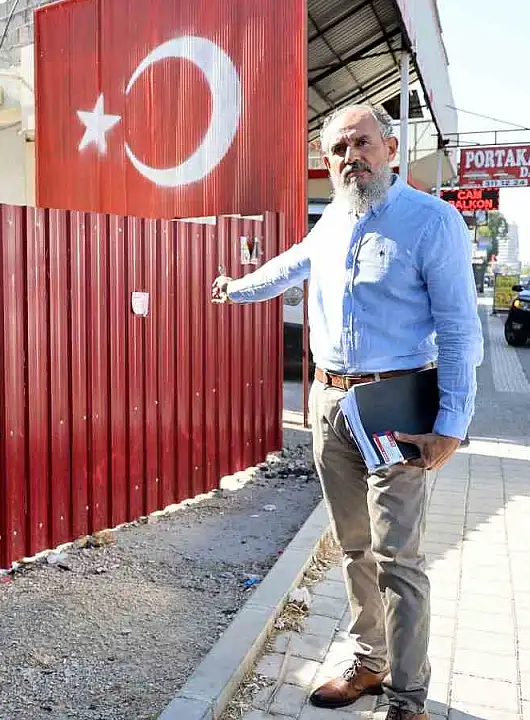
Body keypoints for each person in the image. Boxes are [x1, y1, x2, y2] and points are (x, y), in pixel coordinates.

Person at [211, 104, 483, 720]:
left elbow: (459, 329)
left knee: (397, 558)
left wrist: (451, 425)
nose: (350, 157)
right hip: (331, 404)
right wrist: (236, 288)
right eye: (338, 149)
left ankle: (408, 698)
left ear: (390, 149)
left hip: (397, 406)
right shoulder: (334, 219)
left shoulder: (432, 221)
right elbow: (288, 267)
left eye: (362, 143)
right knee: (355, 545)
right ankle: (369, 660)